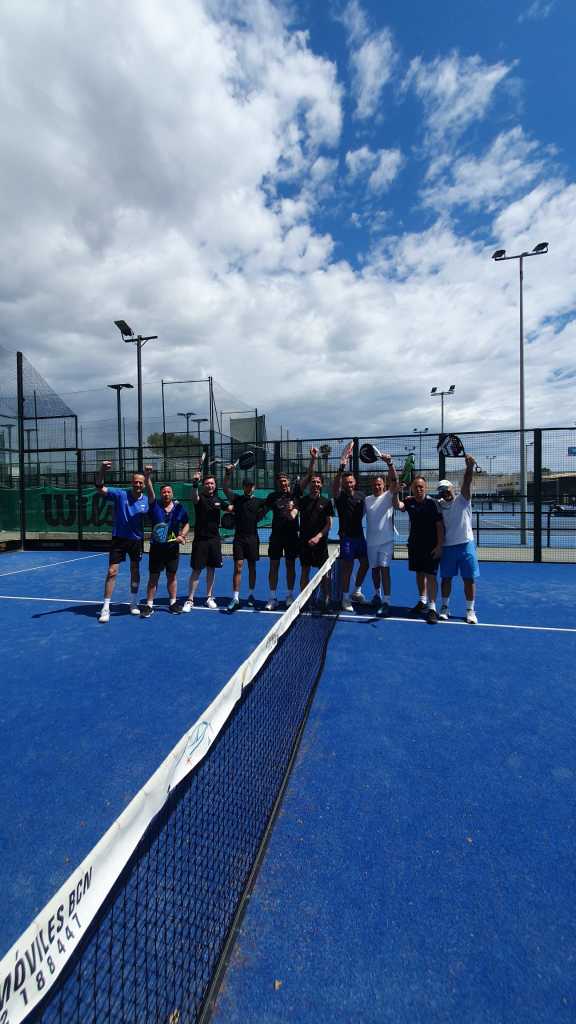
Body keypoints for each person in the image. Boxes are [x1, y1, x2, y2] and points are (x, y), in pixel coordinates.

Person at [95, 460, 150, 623]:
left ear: (144, 485)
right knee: (112, 572)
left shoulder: (146, 500)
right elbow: (100, 487)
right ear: (131, 483)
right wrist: (102, 470)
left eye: (140, 482)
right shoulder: (120, 494)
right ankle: (105, 608)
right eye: (135, 482)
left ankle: (133, 602)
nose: (137, 485)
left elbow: (154, 505)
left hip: (136, 540)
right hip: (118, 538)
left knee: (135, 570)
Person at [264, 451, 317, 610]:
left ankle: (289, 596)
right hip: (276, 537)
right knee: (273, 565)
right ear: (277, 483)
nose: (283, 483)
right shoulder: (272, 496)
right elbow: (261, 512)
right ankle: (272, 598)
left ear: (288, 481)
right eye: (280, 481)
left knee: (290, 566)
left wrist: (313, 459)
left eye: (285, 481)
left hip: (292, 536)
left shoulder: (296, 492)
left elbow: (308, 476)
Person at [394, 475, 443, 623]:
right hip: (415, 545)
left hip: (431, 547)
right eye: (416, 487)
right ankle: (422, 601)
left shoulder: (433, 503)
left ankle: (432, 608)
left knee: (431, 576)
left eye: (421, 487)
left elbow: (440, 526)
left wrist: (439, 546)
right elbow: (398, 506)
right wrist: (396, 492)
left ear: (425, 488)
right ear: (412, 489)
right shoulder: (409, 501)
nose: (419, 489)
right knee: (419, 573)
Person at [437, 455, 480, 624]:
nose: (446, 493)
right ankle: (445, 607)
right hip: (448, 548)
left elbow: (467, 481)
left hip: (466, 546)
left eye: (447, 490)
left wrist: (469, 467)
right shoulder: (438, 505)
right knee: (446, 578)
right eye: (442, 491)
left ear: (453, 489)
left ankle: (470, 611)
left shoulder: (463, 500)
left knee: (469, 579)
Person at [140, 474, 190, 617]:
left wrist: (182, 535)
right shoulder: (154, 506)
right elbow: (149, 491)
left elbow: (186, 523)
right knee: (153, 577)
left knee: (172, 576)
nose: (166, 494)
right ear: (161, 494)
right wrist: (148, 477)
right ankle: (149, 605)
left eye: (168, 492)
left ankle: (173, 603)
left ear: (172, 493)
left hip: (172, 549)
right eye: (164, 492)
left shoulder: (180, 508)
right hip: (156, 549)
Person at [182, 472, 230, 611]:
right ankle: (190, 600)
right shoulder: (200, 497)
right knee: (196, 570)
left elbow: (230, 508)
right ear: (204, 485)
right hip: (200, 540)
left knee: (211, 569)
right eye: (207, 483)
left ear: (215, 486)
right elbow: (194, 497)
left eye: (212, 483)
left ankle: (209, 597)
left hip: (214, 540)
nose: (210, 485)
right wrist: (195, 483)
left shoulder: (218, 499)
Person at [222, 468, 268, 612]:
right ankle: (235, 598)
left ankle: (250, 595)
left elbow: (270, 505)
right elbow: (225, 488)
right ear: (243, 487)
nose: (248, 487)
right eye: (246, 485)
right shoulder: (237, 499)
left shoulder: (259, 501)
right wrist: (228, 473)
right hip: (239, 539)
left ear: (254, 487)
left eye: (251, 485)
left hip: (253, 538)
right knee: (238, 567)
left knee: (252, 567)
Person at [332, 442, 369, 612]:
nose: (349, 484)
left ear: (355, 482)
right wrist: (341, 467)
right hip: (346, 538)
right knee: (347, 567)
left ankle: (357, 591)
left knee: (365, 563)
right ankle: (345, 598)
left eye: (351, 482)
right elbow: (334, 486)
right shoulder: (339, 496)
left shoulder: (362, 495)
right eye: (346, 482)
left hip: (360, 536)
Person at [363, 455, 398, 617]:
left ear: (384, 486)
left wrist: (389, 463)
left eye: (380, 484)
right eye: (375, 485)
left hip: (386, 541)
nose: (377, 487)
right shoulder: (367, 500)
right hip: (371, 542)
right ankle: (377, 595)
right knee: (375, 570)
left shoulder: (389, 496)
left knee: (385, 569)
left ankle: (387, 601)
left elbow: (395, 482)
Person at [296, 459, 334, 599]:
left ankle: (326, 599)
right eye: (313, 482)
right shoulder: (302, 501)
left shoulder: (326, 502)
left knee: (324, 572)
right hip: (304, 543)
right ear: (310, 484)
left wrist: (318, 537)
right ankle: (303, 600)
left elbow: (329, 524)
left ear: (322, 485)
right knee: (304, 571)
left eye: (318, 482)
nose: (316, 484)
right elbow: (294, 514)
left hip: (321, 544)